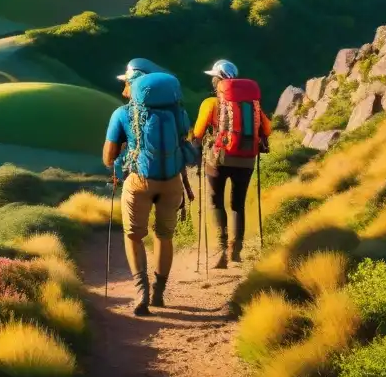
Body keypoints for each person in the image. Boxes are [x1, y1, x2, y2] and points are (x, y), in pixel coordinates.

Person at [103, 58, 194, 316]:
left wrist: (122, 154)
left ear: (133, 84)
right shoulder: (178, 113)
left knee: (133, 235)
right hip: (172, 182)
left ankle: (141, 291)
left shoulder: (121, 114)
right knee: (164, 236)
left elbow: (108, 157)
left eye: (127, 83)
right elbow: (183, 140)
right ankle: (159, 293)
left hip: (139, 181)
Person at [192, 59, 272, 268]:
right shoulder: (252, 104)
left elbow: (198, 133)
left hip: (219, 158)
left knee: (215, 201)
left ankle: (220, 250)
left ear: (217, 80)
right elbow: (267, 128)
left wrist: (195, 147)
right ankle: (235, 252)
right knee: (238, 204)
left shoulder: (210, 104)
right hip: (246, 159)